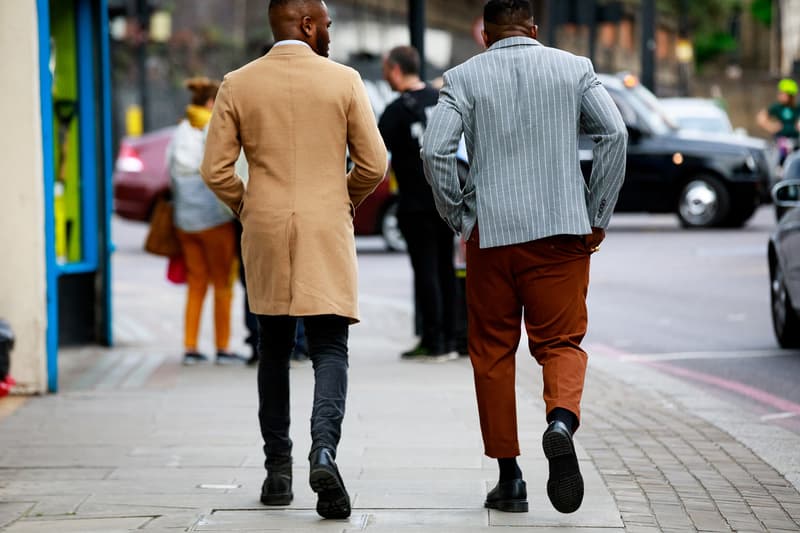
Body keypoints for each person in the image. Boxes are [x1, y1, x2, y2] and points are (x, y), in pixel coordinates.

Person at [422, 0, 627, 515]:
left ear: (486, 37)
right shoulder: (574, 68)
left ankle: (509, 478)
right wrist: (595, 211)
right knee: (560, 341)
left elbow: (434, 151)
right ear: (535, 30)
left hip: (490, 237)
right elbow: (614, 134)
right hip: (561, 234)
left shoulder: (463, 78)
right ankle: (560, 421)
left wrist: (459, 215)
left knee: (491, 352)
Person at [200, 0, 387, 520]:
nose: (329, 32)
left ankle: (277, 472)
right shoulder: (344, 80)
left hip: (264, 227)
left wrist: (249, 204)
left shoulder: (237, 83)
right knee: (330, 345)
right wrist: (342, 198)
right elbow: (375, 162)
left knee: (274, 347)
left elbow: (215, 170)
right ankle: (323, 452)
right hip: (326, 225)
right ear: (306, 24)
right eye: (326, 23)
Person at [378, 46, 458, 362]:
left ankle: (433, 340)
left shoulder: (397, 110)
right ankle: (450, 338)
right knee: (445, 270)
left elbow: (374, 153)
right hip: (446, 200)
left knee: (425, 271)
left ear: (395, 70)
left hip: (414, 203)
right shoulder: (439, 101)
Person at [169, 77, 244, 366]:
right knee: (222, 284)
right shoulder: (213, 129)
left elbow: (169, 173)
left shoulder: (180, 130)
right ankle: (222, 347)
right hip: (214, 220)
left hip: (185, 223)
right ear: (212, 103)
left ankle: (190, 347)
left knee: (196, 283)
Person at [757, 78, 800, 164]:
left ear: (790, 95)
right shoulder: (777, 107)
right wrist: (771, 126)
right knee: (779, 161)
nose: (779, 95)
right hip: (780, 141)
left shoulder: (797, 107)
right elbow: (761, 117)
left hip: (795, 141)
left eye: (782, 93)